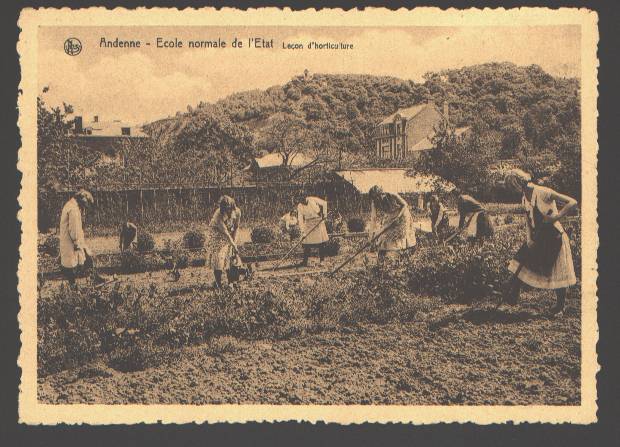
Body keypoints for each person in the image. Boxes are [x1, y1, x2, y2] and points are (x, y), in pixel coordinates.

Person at [503, 169, 578, 315]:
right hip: (539, 237)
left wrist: (555, 218)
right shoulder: (524, 198)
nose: (512, 191)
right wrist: (529, 239)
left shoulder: (543, 192)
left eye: (512, 187)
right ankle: (513, 294)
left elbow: (572, 202)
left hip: (554, 237)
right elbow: (528, 221)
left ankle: (560, 306)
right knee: (521, 260)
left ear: (518, 183)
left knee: (557, 270)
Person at [59, 189, 106, 288]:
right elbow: (74, 229)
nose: (84, 208)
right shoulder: (74, 210)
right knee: (74, 266)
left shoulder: (69, 205)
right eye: (85, 205)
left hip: (69, 241)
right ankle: (76, 285)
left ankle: (93, 278)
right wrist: (76, 242)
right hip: (72, 242)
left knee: (86, 258)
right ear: (82, 201)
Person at [368, 185, 416, 265]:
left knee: (399, 236)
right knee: (384, 235)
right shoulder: (374, 202)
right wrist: (371, 238)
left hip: (402, 214)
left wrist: (398, 218)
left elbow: (405, 205)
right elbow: (373, 219)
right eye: (374, 198)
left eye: (378, 196)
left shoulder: (392, 195)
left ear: (381, 193)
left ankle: (400, 254)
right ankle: (384, 256)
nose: (377, 199)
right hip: (390, 216)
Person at [206, 195, 241, 289]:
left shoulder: (237, 212)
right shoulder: (218, 214)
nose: (228, 211)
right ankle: (218, 283)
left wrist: (234, 242)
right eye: (226, 209)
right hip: (217, 233)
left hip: (229, 232)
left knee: (231, 256)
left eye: (229, 209)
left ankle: (231, 282)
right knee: (219, 257)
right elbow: (224, 231)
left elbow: (236, 227)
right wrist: (232, 243)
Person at [297, 196, 329, 267]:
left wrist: (324, 215)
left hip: (318, 222)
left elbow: (324, 203)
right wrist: (303, 231)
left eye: (302, 199)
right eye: (299, 200)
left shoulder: (312, 199)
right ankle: (305, 261)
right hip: (308, 224)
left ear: (305, 197)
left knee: (321, 243)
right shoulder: (299, 206)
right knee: (306, 243)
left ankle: (322, 261)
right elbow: (300, 220)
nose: (301, 201)